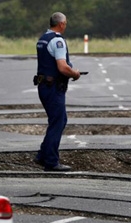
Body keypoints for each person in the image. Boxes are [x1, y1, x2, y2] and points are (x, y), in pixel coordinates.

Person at [33, 12, 81, 172]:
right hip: (53, 87)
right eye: (65, 23)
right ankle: (51, 161)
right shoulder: (57, 40)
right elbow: (62, 67)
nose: (65, 26)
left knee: (58, 120)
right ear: (61, 24)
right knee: (58, 122)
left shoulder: (43, 39)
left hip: (43, 85)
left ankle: (42, 155)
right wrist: (74, 73)